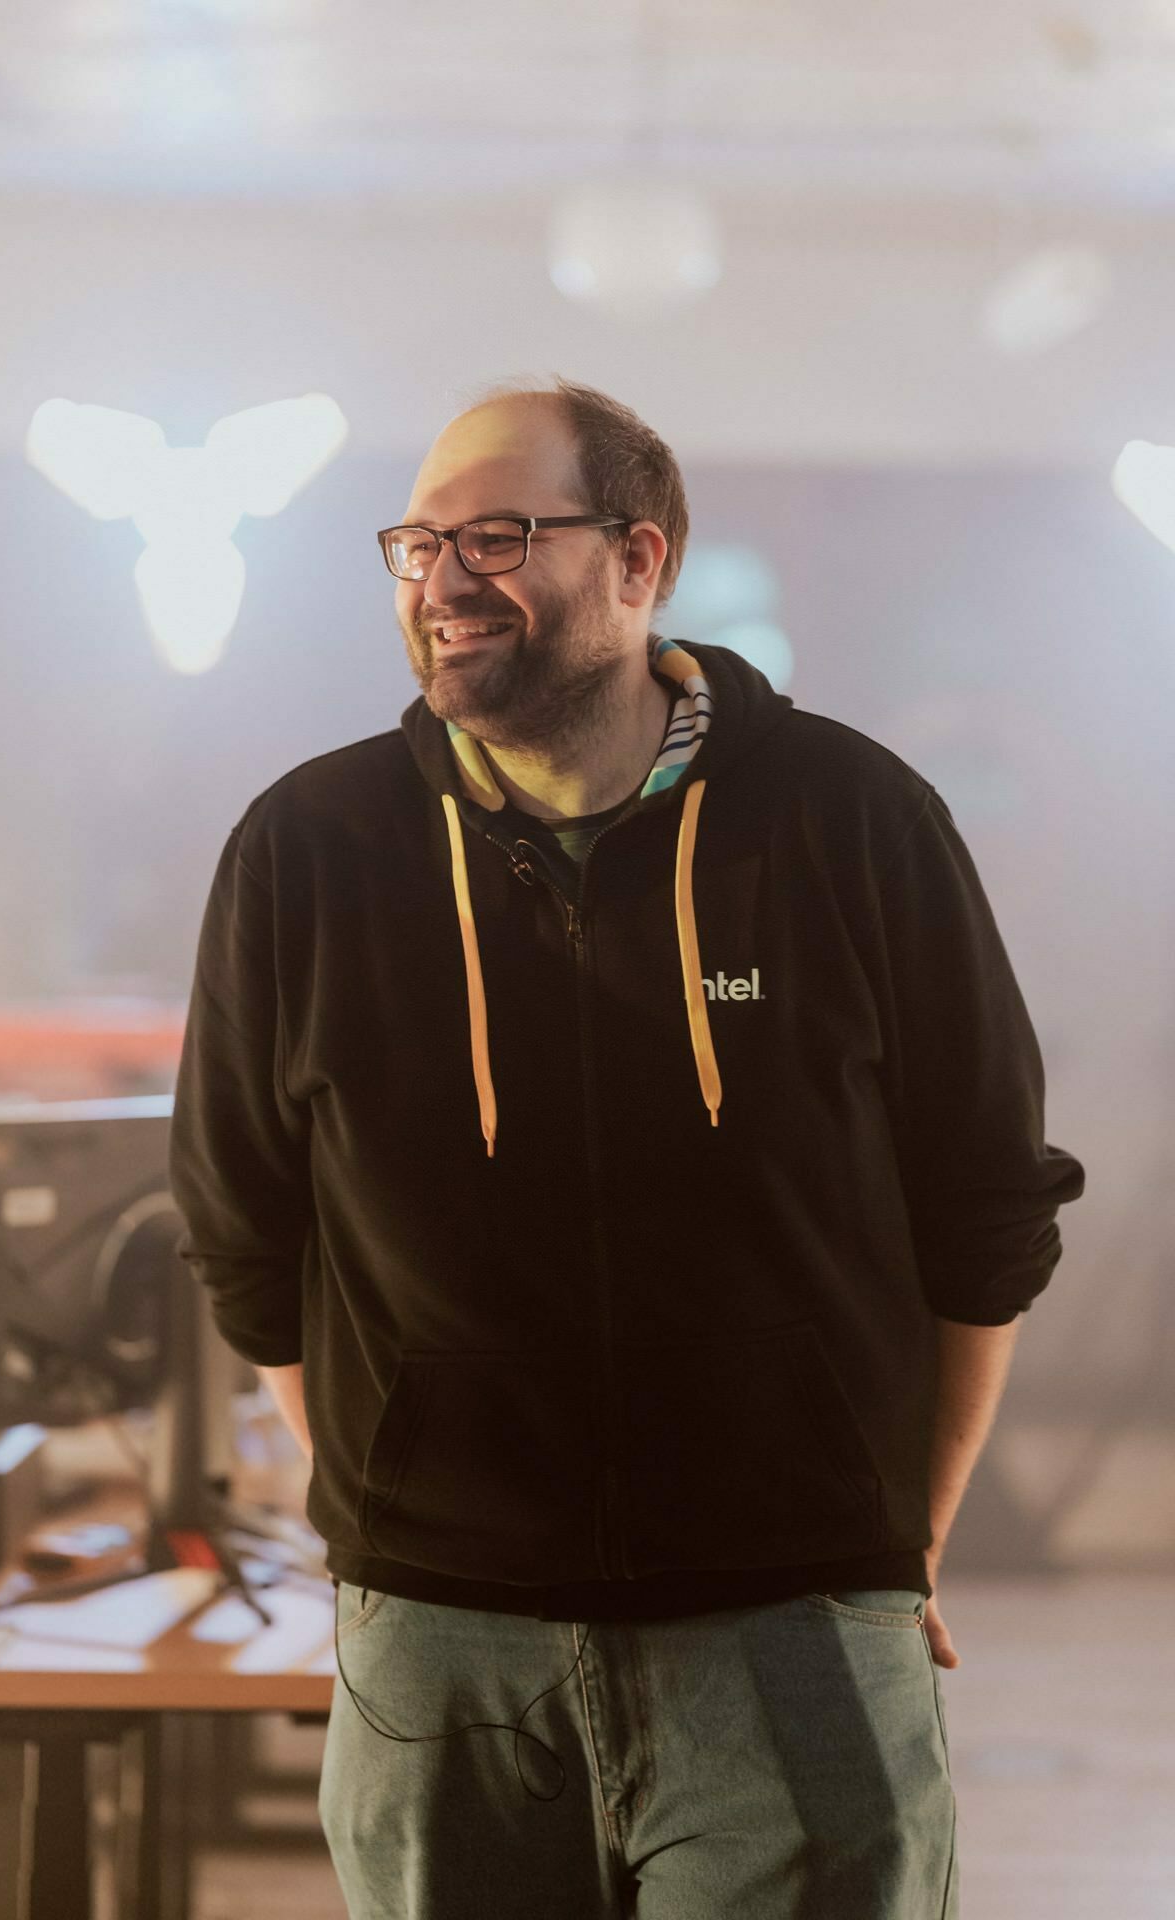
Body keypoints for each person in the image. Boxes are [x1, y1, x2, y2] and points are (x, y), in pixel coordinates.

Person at [168, 376, 1086, 1918]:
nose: (447, 579)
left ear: (640, 559)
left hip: (792, 1629)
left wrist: (898, 1537)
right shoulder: (309, 849)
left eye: (504, 535)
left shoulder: (852, 819)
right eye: (419, 543)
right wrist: (396, 1517)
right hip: (438, 1660)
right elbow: (245, 1233)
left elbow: (987, 1207)